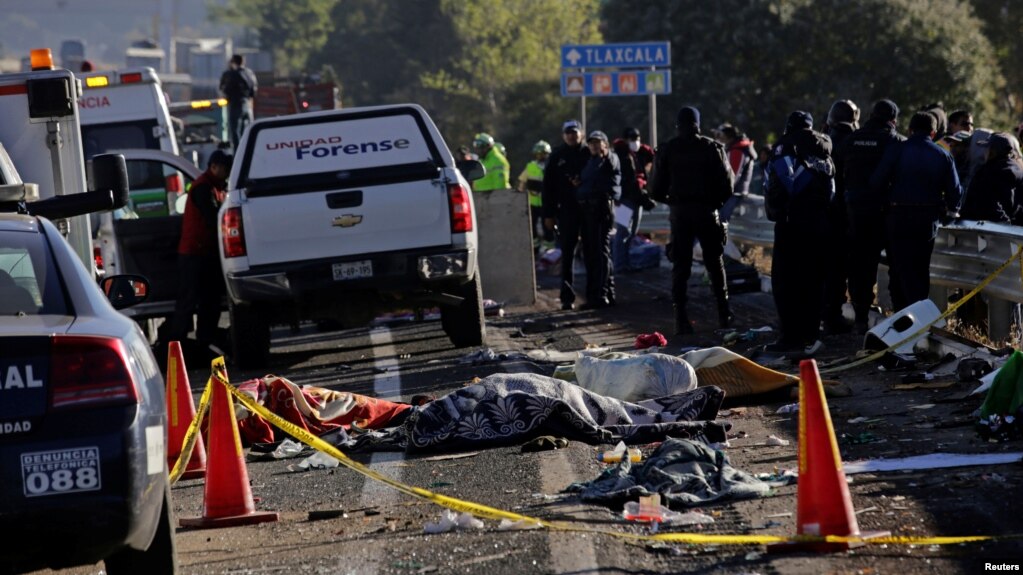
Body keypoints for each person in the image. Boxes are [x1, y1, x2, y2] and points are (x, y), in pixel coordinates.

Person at [651, 106, 733, 335]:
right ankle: (724, 313)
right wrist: (713, 203)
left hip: (680, 213)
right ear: (698, 123)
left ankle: (681, 319)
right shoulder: (712, 148)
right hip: (707, 211)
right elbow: (728, 186)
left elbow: (655, 189)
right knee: (715, 263)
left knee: (681, 265)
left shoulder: (668, 150)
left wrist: (674, 202)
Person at [871, 112, 963, 312]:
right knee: (920, 270)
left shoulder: (896, 150)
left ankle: (899, 317)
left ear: (910, 130)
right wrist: (947, 211)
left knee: (897, 268)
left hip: (897, 217)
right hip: (926, 220)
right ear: (932, 132)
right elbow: (955, 193)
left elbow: (877, 182)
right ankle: (917, 318)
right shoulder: (942, 155)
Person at [763, 111, 834, 356]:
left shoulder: (785, 145)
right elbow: (831, 187)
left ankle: (790, 337)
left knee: (785, 281)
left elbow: (784, 180)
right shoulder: (824, 145)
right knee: (814, 280)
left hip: (792, 223)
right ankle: (811, 333)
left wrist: (778, 208)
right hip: (820, 222)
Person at [837, 99, 905, 333]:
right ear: (893, 120)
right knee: (897, 266)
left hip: (856, 213)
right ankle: (899, 316)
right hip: (887, 214)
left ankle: (861, 317)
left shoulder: (852, 139)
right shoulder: (895, 141)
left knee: (861, 266)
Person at [169, 150, 233, 352]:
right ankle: (174, 347)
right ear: (214, 166)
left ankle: (205, 341)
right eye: (225, 169)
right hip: (194, 255)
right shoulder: (204, 188)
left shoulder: (215, 186)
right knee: (188, 302)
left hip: (205, 255)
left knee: (210, 301)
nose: (228, 173)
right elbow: (213, 218)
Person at [543, 120, 592, 310]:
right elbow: (548, 188)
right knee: (568, 254)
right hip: (566, 211)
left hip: (588, 211)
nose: (572, 136)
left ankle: (593, 295)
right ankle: (567, 297)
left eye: (575, 132)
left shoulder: (589, 152)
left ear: (581, 133)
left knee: (590, 253)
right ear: (563, 135)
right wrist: (549, 214)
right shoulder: (557, 156)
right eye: (568, 133)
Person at [821, 100, 859, 334]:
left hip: (824, 213)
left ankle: (824, 314)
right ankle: (835, 316)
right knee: (842, 269)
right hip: (852, 214)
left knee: (824, 268)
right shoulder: (856, 142)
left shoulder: (822, 142)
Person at [576, 130, 621, 308]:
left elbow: (609, 178)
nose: (594, 145)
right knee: (592, 252)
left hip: (601, 208)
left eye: (598, 142)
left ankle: (602, 294)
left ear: (605, 144)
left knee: (601, 253)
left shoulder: (609, 158)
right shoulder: (591, 161)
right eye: (592, 143)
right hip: (588, 210)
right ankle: (602, 292)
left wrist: (605, 156)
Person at [610, 127, 654, 273]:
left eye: (637, 138)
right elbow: (628, 181)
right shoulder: (621, 156)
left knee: (632, 232)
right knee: (622, 232)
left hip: (636, 198)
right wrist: (642, 197)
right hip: (625, 199)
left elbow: (651, 157)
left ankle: (625, 262)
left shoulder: (636, 155)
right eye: (632, 138)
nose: (635, 141)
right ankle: (620, 265)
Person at [961, 132, 1023, 224]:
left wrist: (1004, 223)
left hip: (986, 230)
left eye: (987, 148)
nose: (984, 152)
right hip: (1015, 230)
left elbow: (987, 202)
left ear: (993, 151)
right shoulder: (1019, 171)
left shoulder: (989, 172)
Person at [517, 140, 554, 252]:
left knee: (547, 227)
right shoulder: (530, 166)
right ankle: (535, 248)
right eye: (538, 154)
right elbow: (522, 182)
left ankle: (550, 250)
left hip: (546, 203)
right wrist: (520, 195)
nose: (540, 156)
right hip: (532, 203)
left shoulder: (551, 166)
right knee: (531, 226)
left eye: (543, 154)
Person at [716, 124, 758, 222]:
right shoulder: (736, 148)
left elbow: (733, 175)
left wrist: (723, 189)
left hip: (734, 193)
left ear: (727, 136)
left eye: (721, 135)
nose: (720, 138)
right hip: (734, 191)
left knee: (721, 220)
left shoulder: (737, 151)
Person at [219, 54, 258, 150]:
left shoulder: (232, 74)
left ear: (233, 62)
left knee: (235, 133)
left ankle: (238, 156)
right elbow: (254, 91)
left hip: (236, 105)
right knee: (248, 133)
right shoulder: (250, 73)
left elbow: (225, 89)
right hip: (248, 106)